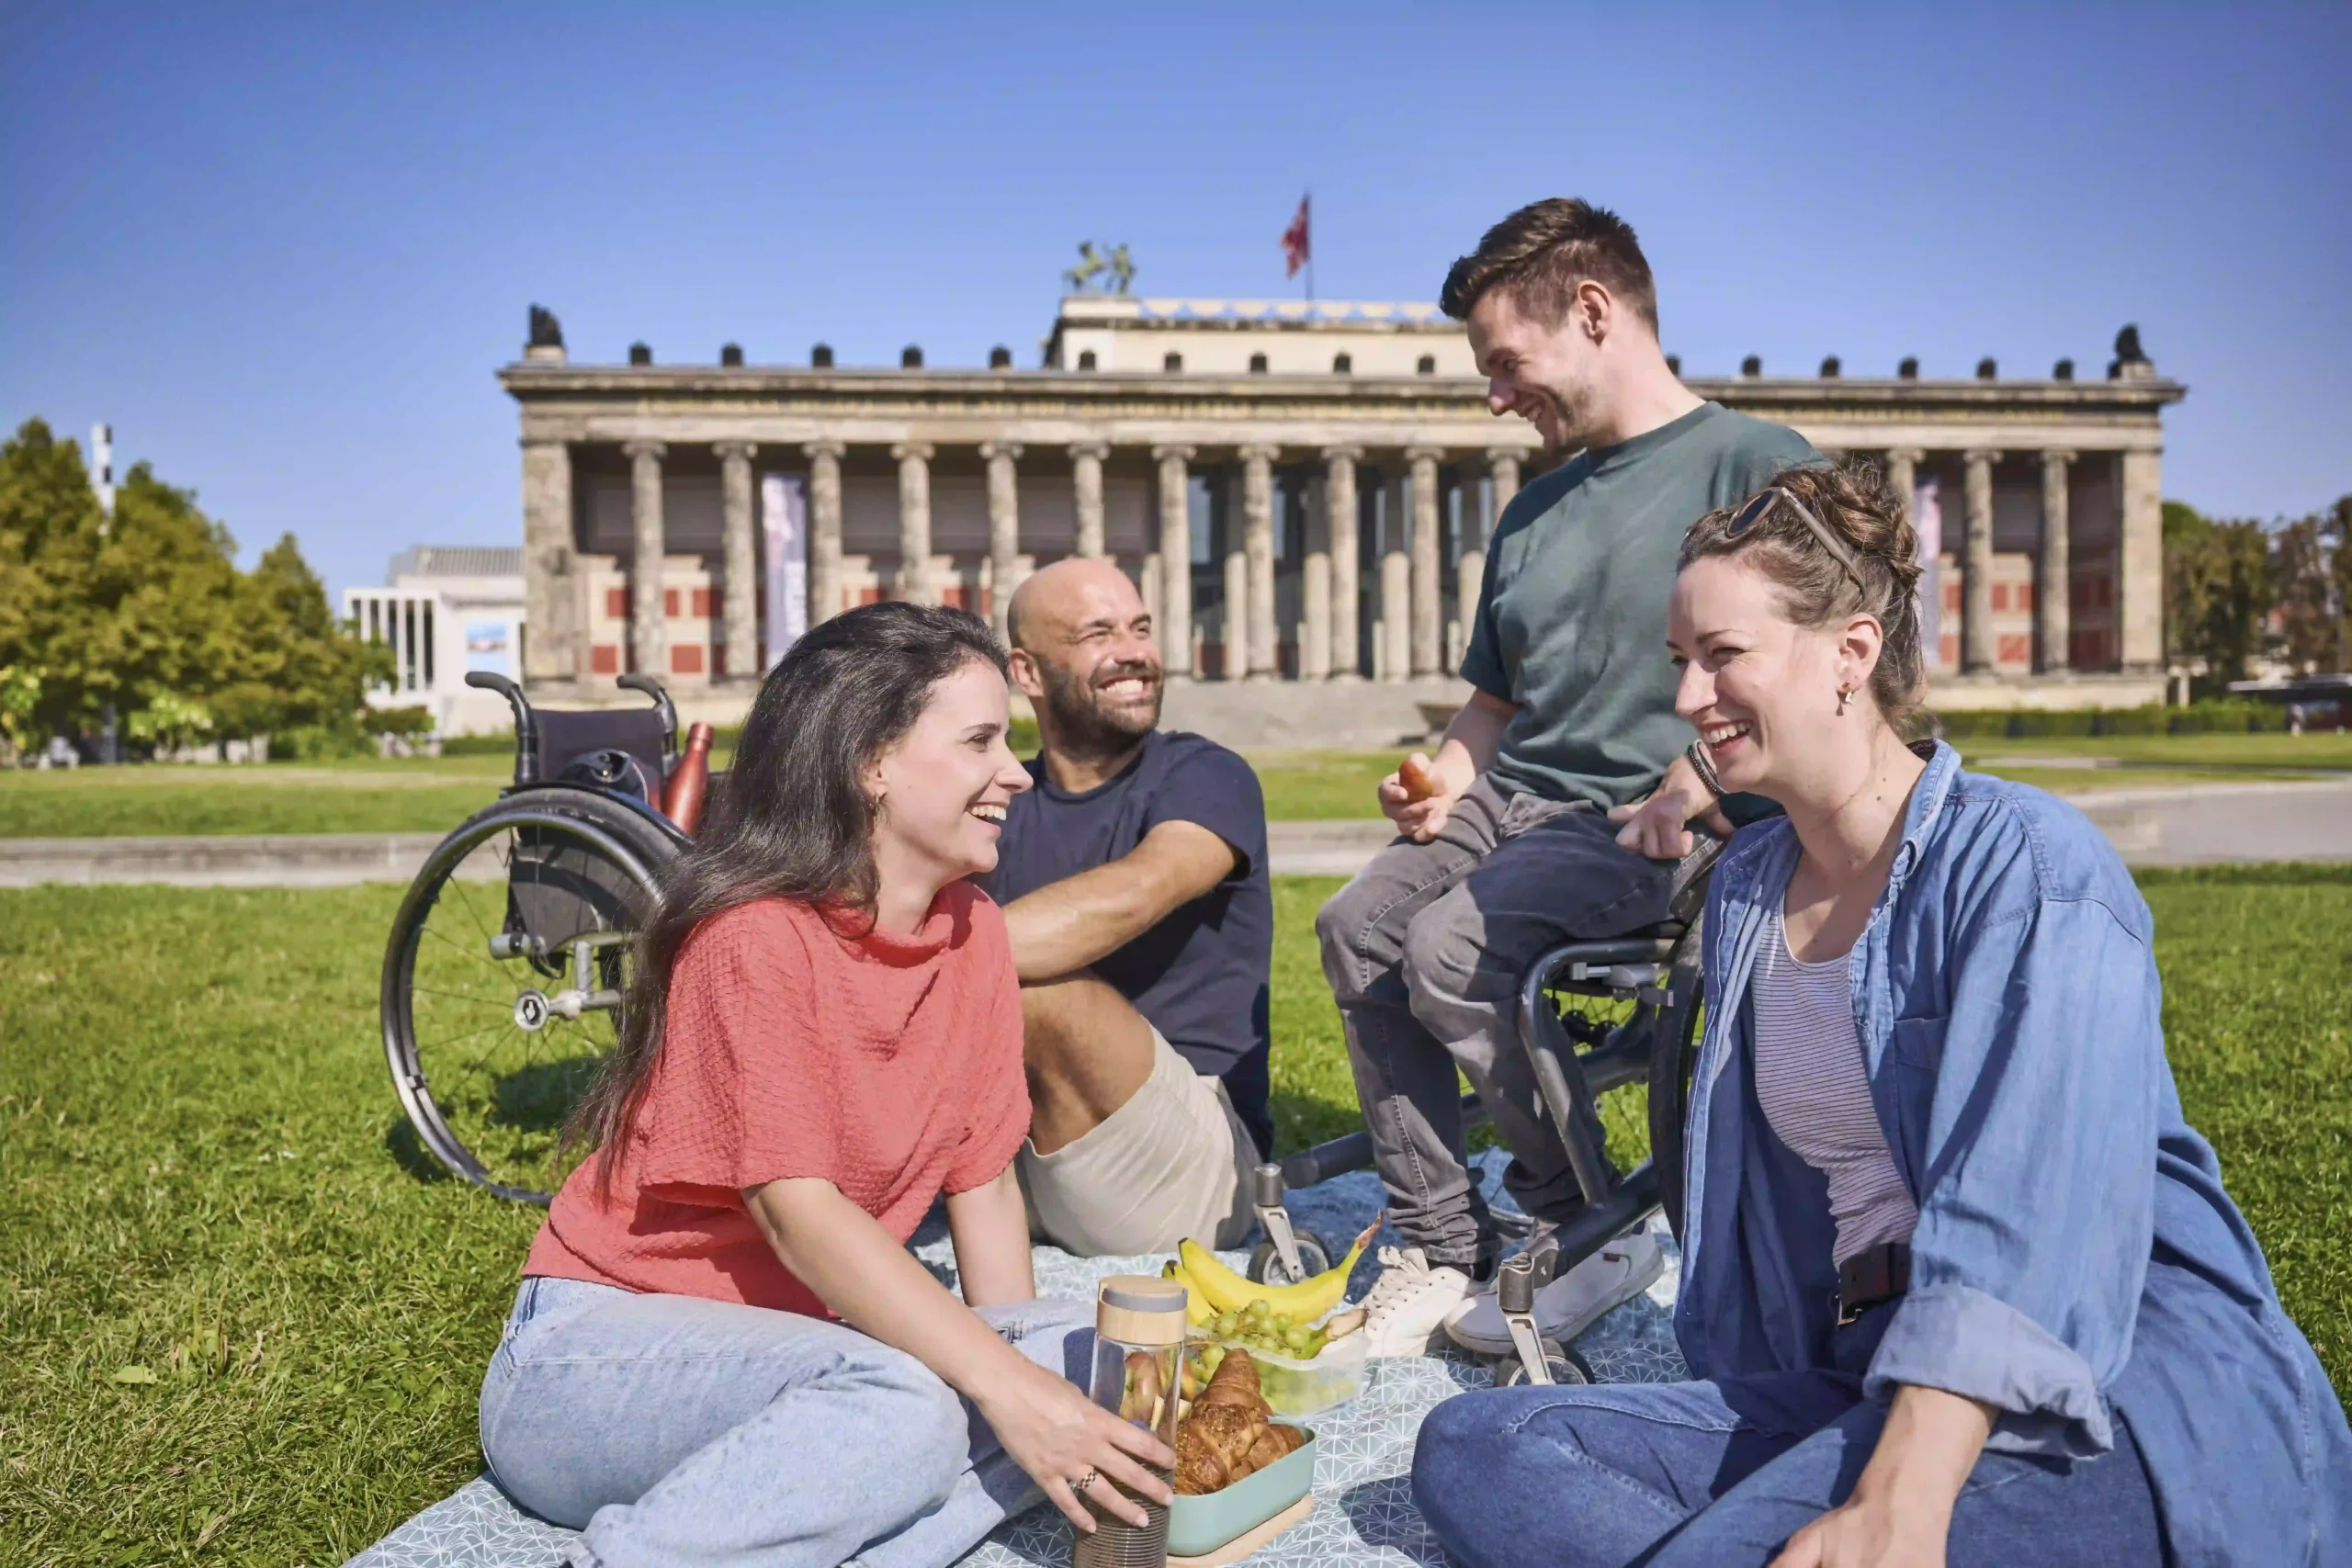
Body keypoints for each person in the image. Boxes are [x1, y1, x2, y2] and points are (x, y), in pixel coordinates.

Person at [1413, 463, 2352, 1567]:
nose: (1684, 700)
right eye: (1680, 662)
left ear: (1851, 655)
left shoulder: (2031, 870)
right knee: (1481, 1447)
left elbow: (2026, 1218)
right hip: (1859, 1375)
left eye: (1722, 658)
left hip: (2090, 1393)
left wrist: (1899, 1496)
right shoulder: (1752, 888)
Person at [477, 603, 1176, 1568]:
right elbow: (796, 1212)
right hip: (592, 1359)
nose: (1017, 773)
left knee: (1107, 1362)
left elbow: (982, 1182)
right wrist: (1010, 1400)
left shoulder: (968, 931)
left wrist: (1026, 1375)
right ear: (871, 762)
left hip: (805, 1350)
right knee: (917, 1408)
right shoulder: (755, 938)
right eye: (979, 741)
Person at [1315, 197, 1818, 1357]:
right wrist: (1440, 775)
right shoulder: (1533, 505)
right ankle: (1441, 1243)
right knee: (1357, 932)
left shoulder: (1755, 465)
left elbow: (1831, 664)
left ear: (1592, 311)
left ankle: (1581, 1222)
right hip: (1511, 800)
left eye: (1504, 362)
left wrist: (1699, 778)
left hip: (1654, 814)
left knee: (1448, 949)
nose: (1493, 396)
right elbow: (1495, 702)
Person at [977, 558, 1273, 1258]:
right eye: (1099, 633)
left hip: (1193, 1169)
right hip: (1020, 1154)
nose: (1134, 652)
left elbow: (1140, 890)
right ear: (1027, 671)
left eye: (1140, 628)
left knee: (1040, 990)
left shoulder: (1205, 774)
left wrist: (912, 957)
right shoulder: (999, 803)